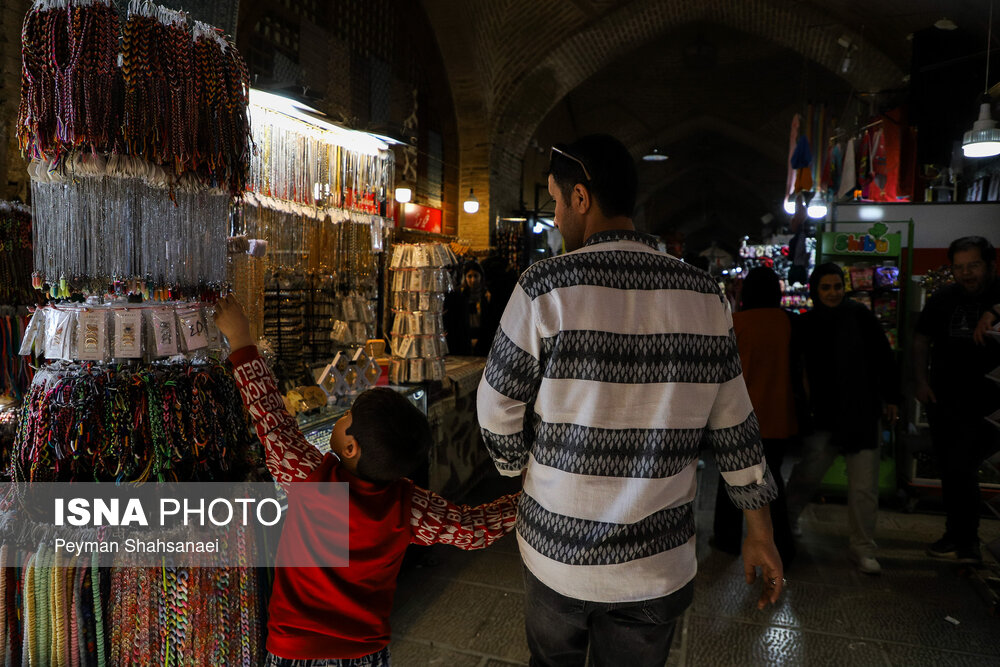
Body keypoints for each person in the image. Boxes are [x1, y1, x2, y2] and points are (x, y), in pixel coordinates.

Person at [477, 134, 783, 667]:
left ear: (580, 198)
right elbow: (735, 425)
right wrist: (760, 531)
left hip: (558, 554)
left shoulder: (545, 286)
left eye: (554, 200)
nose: (554, 215)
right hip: (655, 565)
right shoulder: (704, 297)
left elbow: (495, 404)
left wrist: (517, 469)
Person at [214, 295, 519, 666]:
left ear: (351, 446)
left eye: (347, 418)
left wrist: (241, 339)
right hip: (364, 653)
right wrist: (524, 501)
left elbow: (270, 417)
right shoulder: (408, 506)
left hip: (295, 649)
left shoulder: (311, 478)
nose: (341, 419)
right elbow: (470, 529)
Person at [784, 263, 899, 576]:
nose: (833, 293)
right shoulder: (806, 325)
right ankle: (787, 522)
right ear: (815, 291)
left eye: (837, 286)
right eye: (826, 288)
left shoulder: (861, 317)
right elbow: (796, 369)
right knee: (808, 474)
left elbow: (883, 357)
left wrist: (891, 397)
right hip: (824, 415)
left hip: (862, 414)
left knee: (864, 487)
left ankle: (862, 547)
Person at [914, 236, 1000, 565]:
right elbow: (921, 339)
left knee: (965, 468)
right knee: (953, 469)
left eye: (973, 265)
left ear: (990, 265)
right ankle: (960, 536)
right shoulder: (943, 298)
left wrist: (995, 310)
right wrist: (921, 381)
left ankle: (966, 541)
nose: (966, 274)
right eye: (959, 267)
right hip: (947, 398)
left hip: (992, 404)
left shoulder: (997, 292)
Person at [712, 267, 798, 569]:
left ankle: (726, 540)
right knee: (774, 482)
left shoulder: (737, 323)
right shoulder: (788, 323)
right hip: (778, 415)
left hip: (741, 416)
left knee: (731, 481)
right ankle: (781, 544)